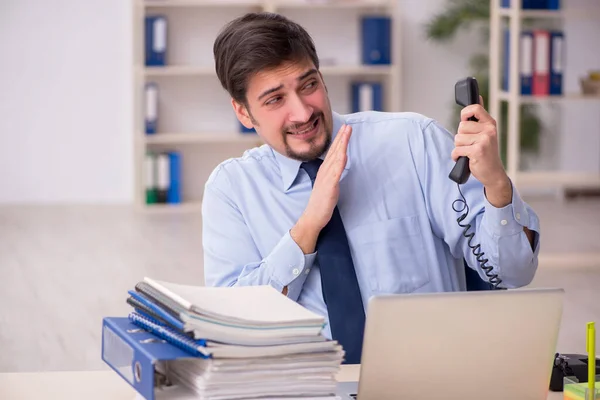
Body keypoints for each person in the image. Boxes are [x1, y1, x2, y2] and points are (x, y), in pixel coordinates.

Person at [202, 12, 539, 364]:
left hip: (425, 376)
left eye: (308, 85)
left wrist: (497, 185)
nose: (302, 113)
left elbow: (514, 273)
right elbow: (233, 323)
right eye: (274, 100)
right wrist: (307, 228)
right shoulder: (230, 189)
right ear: (243, 113)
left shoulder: (413, 141)